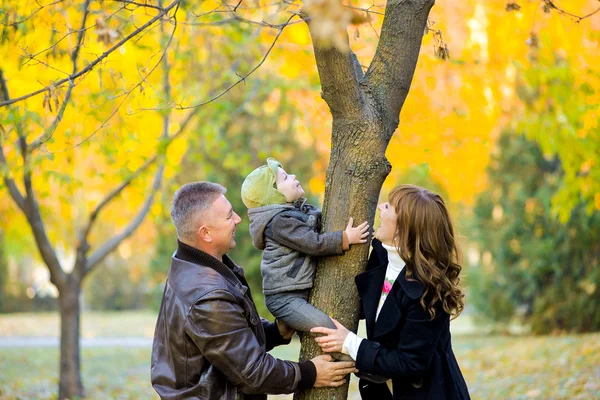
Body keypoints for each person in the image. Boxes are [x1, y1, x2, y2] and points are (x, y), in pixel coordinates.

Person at [151, 181, 357, 400]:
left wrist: (274, 333)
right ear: (206, 233)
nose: (238, 219)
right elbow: (251, 372)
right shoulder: (207, 295)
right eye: (229, 216)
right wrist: (309, 373)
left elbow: (224, 344)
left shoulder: (192, 266)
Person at [311, 184, 471, 399]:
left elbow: (410, 363)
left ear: (404, 228)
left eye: (389, 206)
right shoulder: (381, 257)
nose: (379, 208)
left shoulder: (429, 291)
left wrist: (349, 342)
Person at [240, 157, 369, 337]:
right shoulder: (279, 222)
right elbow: (313, 243)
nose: (293, 176)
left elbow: (316, 221)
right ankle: (347, 360)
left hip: (299, 290)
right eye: (285, 178)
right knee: (326, 327)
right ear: (274, 195)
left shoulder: (296, 212)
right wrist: (344, 238)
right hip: (285, 297)